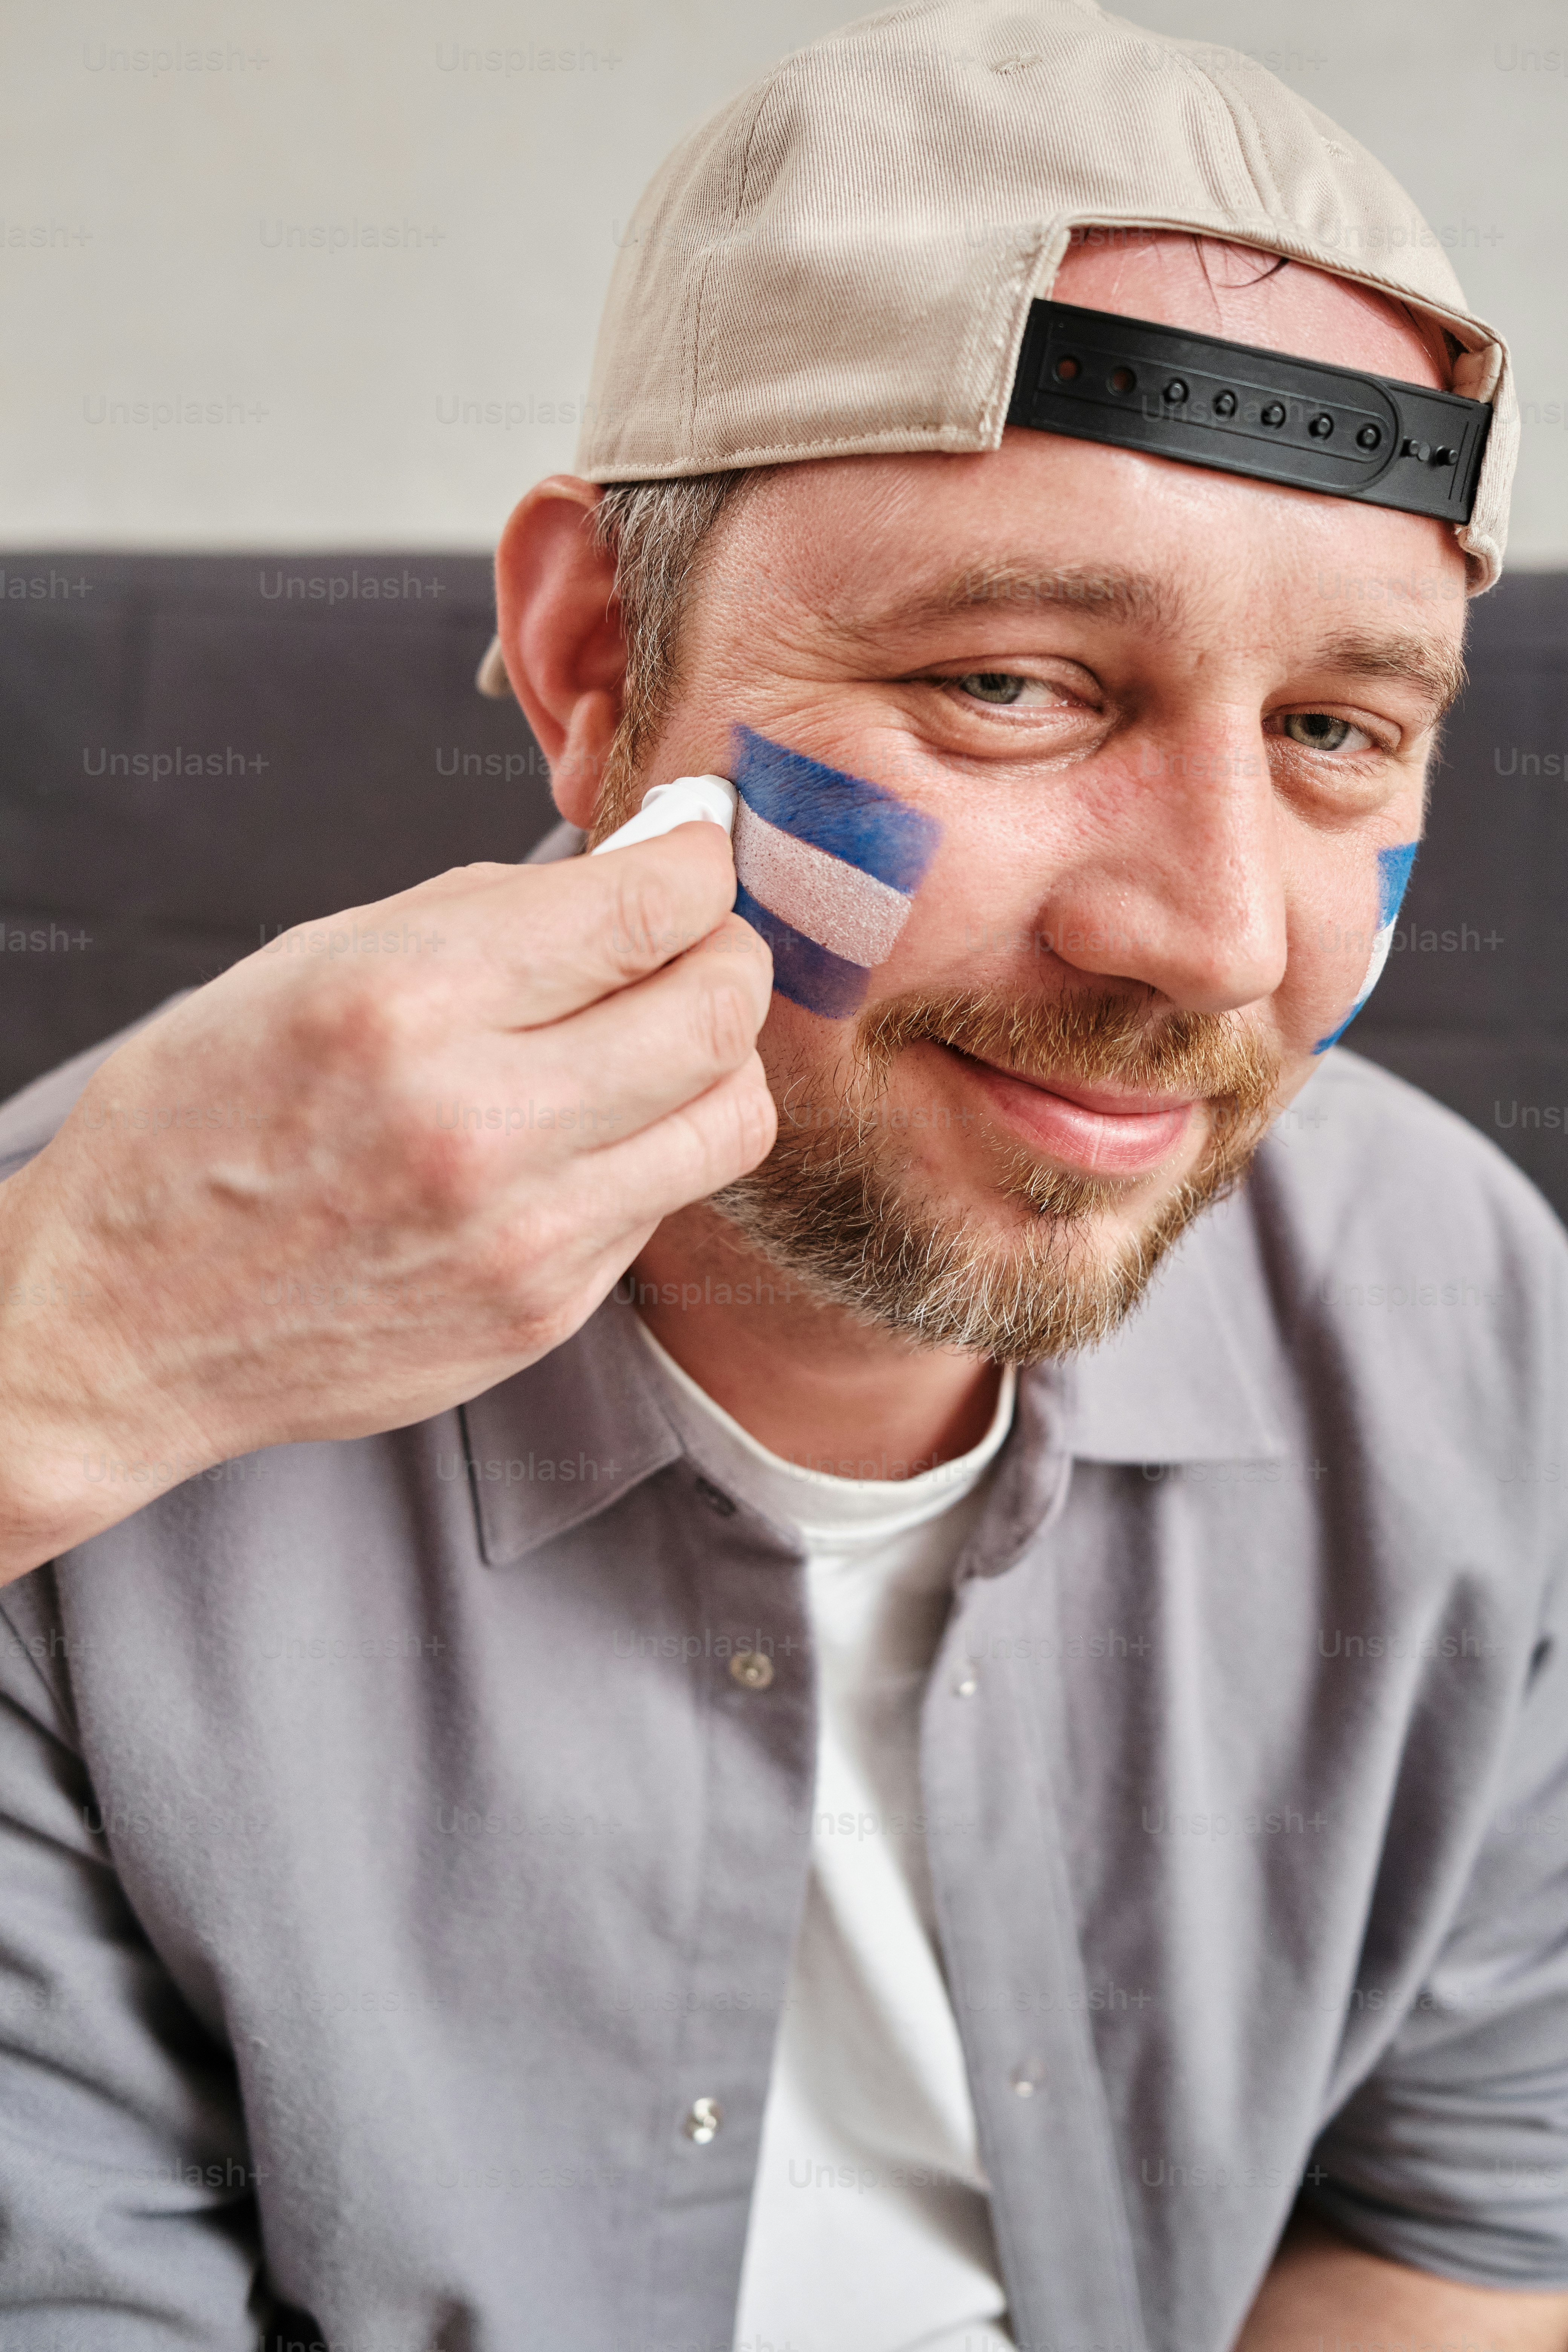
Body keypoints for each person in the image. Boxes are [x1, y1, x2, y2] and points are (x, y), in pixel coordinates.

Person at [2, 4, 1566, 2347]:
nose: (1215, 936)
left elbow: (1460, 2225)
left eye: (1341, 731)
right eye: (1017, 684)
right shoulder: (80, 1367)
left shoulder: (1462, 1304)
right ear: (587, 658)